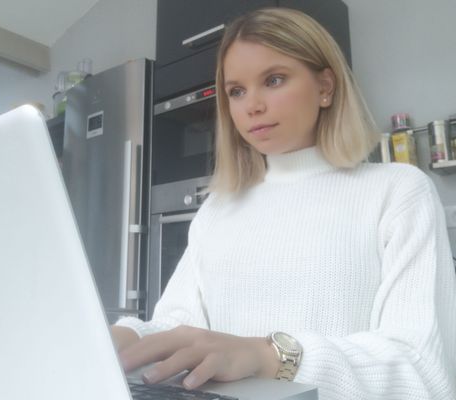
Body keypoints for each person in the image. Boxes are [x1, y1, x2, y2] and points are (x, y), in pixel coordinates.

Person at [111, 8, 456, 400]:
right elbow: (180, 325)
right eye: (236, 91)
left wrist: (270, 356)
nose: (251, 106)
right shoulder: (217, 209)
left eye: (273, 80)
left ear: (325, 86)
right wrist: (123, 336)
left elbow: (424, 372)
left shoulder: (398, 191)